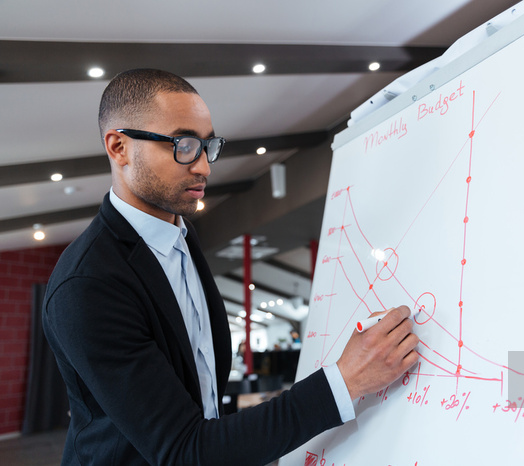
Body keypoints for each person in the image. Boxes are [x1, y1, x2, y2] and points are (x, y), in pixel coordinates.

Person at [42, 68, 419, 465]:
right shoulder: (87, 284)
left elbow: (205, 407)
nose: (204, 166)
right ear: (119, 147)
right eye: (183, 145)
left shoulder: (181, 237)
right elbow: (184, 449)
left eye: (209, 145)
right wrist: (346, 382)